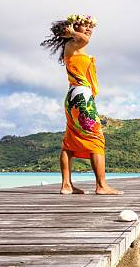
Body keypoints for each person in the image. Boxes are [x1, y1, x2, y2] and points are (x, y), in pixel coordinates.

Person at [41, 14, 123, 195]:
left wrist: (75, 32)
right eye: (83, 26)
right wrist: (72, 33)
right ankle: (102, 186)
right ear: (72, 29)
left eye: (90, 27)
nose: (88, 30)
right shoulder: (73, 44)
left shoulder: (74, 47)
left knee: (69, 142)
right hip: (80, 96)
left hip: (74, 96)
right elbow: (84, 39)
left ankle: (66, 185)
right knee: (96, 139)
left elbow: (84, 39)